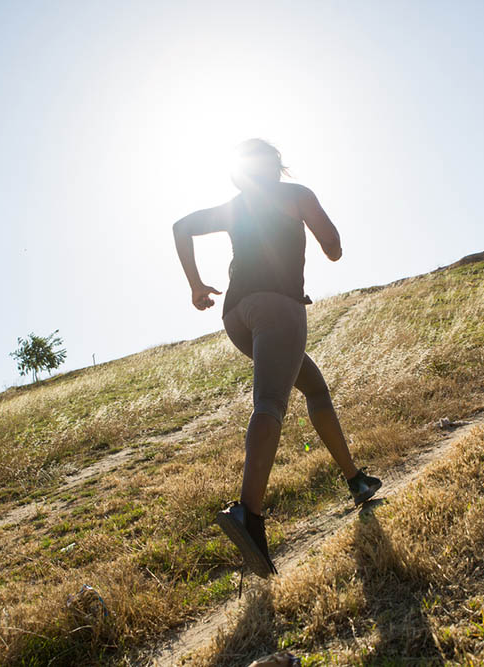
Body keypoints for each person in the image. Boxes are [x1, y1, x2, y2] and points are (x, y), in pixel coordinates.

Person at [172, 139, 381, 579]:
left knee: (314, 386)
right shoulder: (296, 195)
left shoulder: (234, 206)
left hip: (236, 315)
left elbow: (180, 226)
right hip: (277, 307)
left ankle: (355, 480)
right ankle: (247, 512)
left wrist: (195, 286)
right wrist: (324, 241)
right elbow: (334, 247)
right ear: (276, 165)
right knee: (269, 402)